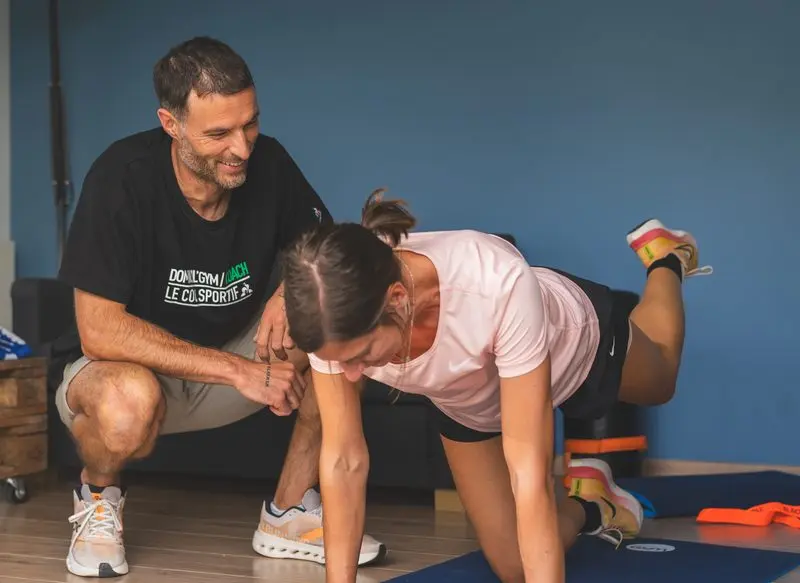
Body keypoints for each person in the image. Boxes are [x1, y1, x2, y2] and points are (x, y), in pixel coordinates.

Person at [53, 37, 385, 578]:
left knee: (339, 322)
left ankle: (288, 512)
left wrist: (289, 289)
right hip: (127, 374)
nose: (243, 148)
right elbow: (98, 330)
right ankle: (97, 499)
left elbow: (330, 249)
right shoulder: (121, 178)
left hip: (236, 360)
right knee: (125, 404)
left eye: (249, 124)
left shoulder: (269, 163)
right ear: (171, 124)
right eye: (218, 134)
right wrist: (239, 371)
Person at [280, 189, 714, 583]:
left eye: (362, 357)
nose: (352, 375)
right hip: (467, 405)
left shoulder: (494, 283)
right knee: (513, 566)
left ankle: (666, 260)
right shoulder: (329, 318)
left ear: (397, 300)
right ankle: (594, 504)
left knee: (662, 379)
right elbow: (343, 462)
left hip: (573, 347)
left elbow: (529, 472)